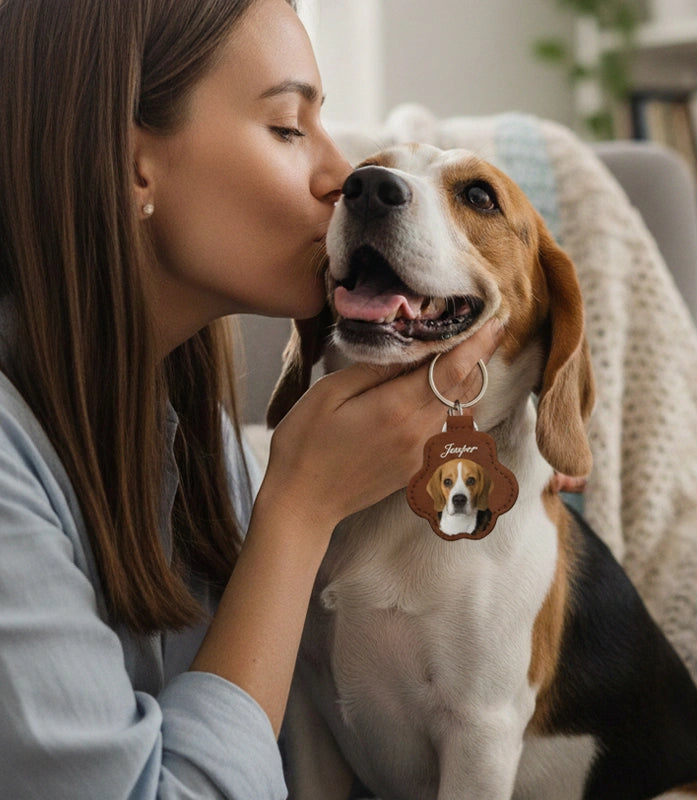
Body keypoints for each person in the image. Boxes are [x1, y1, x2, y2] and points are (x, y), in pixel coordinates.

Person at [0, 0, 502, 796]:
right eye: (287, 126)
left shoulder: (183, 423)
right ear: (134, 166)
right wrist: (298, 509)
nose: (341, 175)